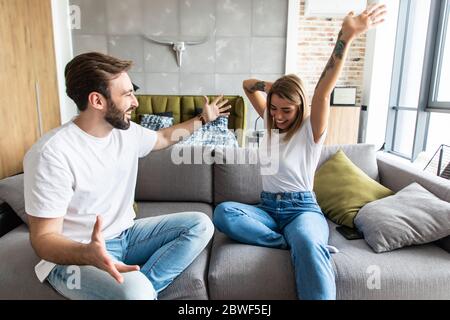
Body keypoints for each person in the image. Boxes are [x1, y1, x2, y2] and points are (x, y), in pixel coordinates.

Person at [213, 5, 387, 300]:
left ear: (301, 107)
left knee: (307, 239)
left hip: (302, 209)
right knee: (224, 213)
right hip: (267, 210)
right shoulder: (270, 121)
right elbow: (246, 85)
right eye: (274, 108)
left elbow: (322, 91)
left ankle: (304, 243)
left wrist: (345, 38)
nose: (278, 116)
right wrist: (279, 88)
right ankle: (284, 243)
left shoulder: (311, 129)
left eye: (287, 110)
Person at [24, 52, 231, 300]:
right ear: (97, 100)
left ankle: (147, 288)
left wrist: (203, 119)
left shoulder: (127, 132)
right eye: (127, 94)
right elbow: (43, 239)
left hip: (126, 235)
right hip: (72, 258)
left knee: (201, 224)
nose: (135, 102)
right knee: (135, 294)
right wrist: (86, 253)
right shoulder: (52, 153)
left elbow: (164, 137)